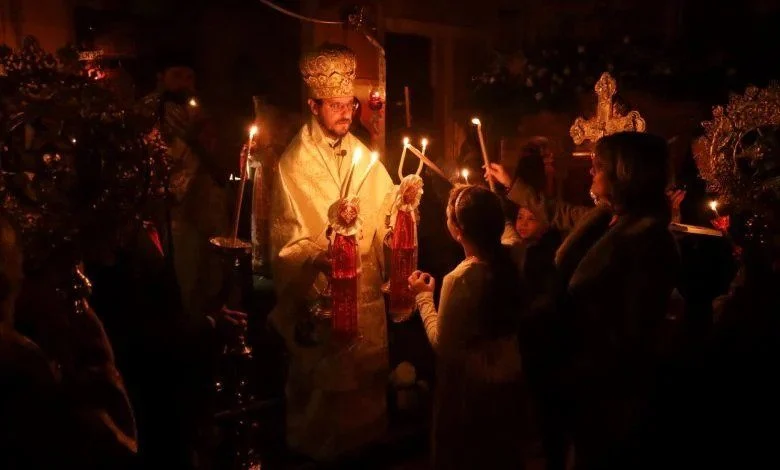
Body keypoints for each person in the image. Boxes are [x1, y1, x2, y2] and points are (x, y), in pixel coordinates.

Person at [269, 42, 395, 461]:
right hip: (323, 301)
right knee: (324, 410)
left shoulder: (362, 153)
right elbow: (285, 242)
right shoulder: (292, 163)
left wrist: (400, 218)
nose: (346, 112)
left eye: (350, 104)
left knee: (365, 407)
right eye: (336, 105)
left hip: (364, 297)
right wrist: (317, 257)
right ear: (313, 104)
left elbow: (385, 213)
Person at [552, 132, 680, 470]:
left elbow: (635, 331)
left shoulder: (649, 240)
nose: (591, 174)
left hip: (611, 396)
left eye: (598, 168)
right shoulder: (608, 223)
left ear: (625, 174)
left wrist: (586, 361)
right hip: (584, 385)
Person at [409, 185, 538, 470]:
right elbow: (506, 230)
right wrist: (479, 198)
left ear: (457, 230)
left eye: (448, 216)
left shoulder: (462, 279)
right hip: (508, 379)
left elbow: (443, 344)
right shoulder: (514, 254)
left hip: (470, 392)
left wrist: (423, 297)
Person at [139, 51, 228, 321]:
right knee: (180, 271)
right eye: (177, 75)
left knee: (211, 269)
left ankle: (212, 319)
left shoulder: (201, 111)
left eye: (190, 77)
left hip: (205, 203)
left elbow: (216, 154)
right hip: (171, 209)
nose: (184, 82)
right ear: (160, 77)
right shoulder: (145, 111)